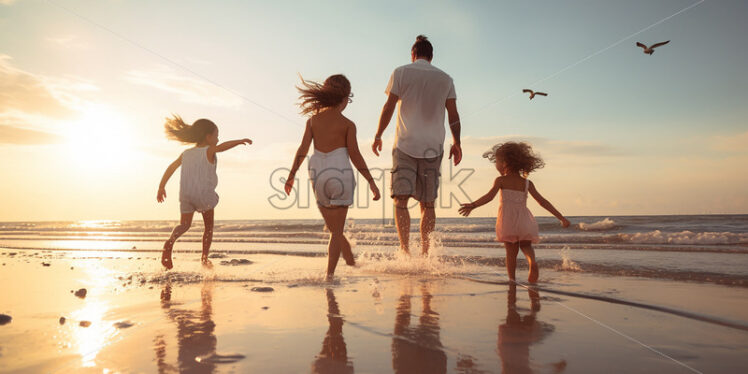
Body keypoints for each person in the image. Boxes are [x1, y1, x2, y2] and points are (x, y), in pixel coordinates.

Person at [284, 74, 381, 280]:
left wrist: (291, 175)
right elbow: (355, 154)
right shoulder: (348, 124)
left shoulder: (313, 121)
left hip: (317, 172)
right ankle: (329, 275)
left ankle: (347, 257)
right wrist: (371, 182)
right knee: (336, 231)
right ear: (346, 98)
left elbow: (302, 149)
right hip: (341, 171)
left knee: (333, 227)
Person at [373, 35, 462, 255]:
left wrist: (378, 134)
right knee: (428, 203)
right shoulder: (446, 79)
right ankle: (425, 253)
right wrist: (457, 142)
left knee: (401, 200)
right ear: (431, 56)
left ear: (413, 54)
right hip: (433, 146)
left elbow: (389, 107)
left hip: (405, 144)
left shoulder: (401, 72)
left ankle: (404, 251)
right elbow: (453, 114)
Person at [458, 142, 570, 283]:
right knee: (526, 246)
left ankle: (512, 280)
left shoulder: (501, 180)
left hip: (507, 221)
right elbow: (542, 202)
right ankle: (532, 262)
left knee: (511, 253)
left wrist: (473, 205)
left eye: (497, 161)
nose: (496, 165)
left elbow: (489, 197)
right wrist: (561, 218)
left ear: (505, 163)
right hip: (524, 220)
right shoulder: (527, 183)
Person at [157, 115, 252, 269]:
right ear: (208, 137)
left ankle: (170, 242)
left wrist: (162, 186)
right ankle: (204, 258)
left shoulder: (186, 153)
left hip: (186, 194)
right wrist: (239, 141)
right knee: (208, 227)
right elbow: (223, 147)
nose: (218, 139)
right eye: (216, 136)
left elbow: (172, 167)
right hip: (203, 194)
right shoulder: (209, 150)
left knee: (184, 225)